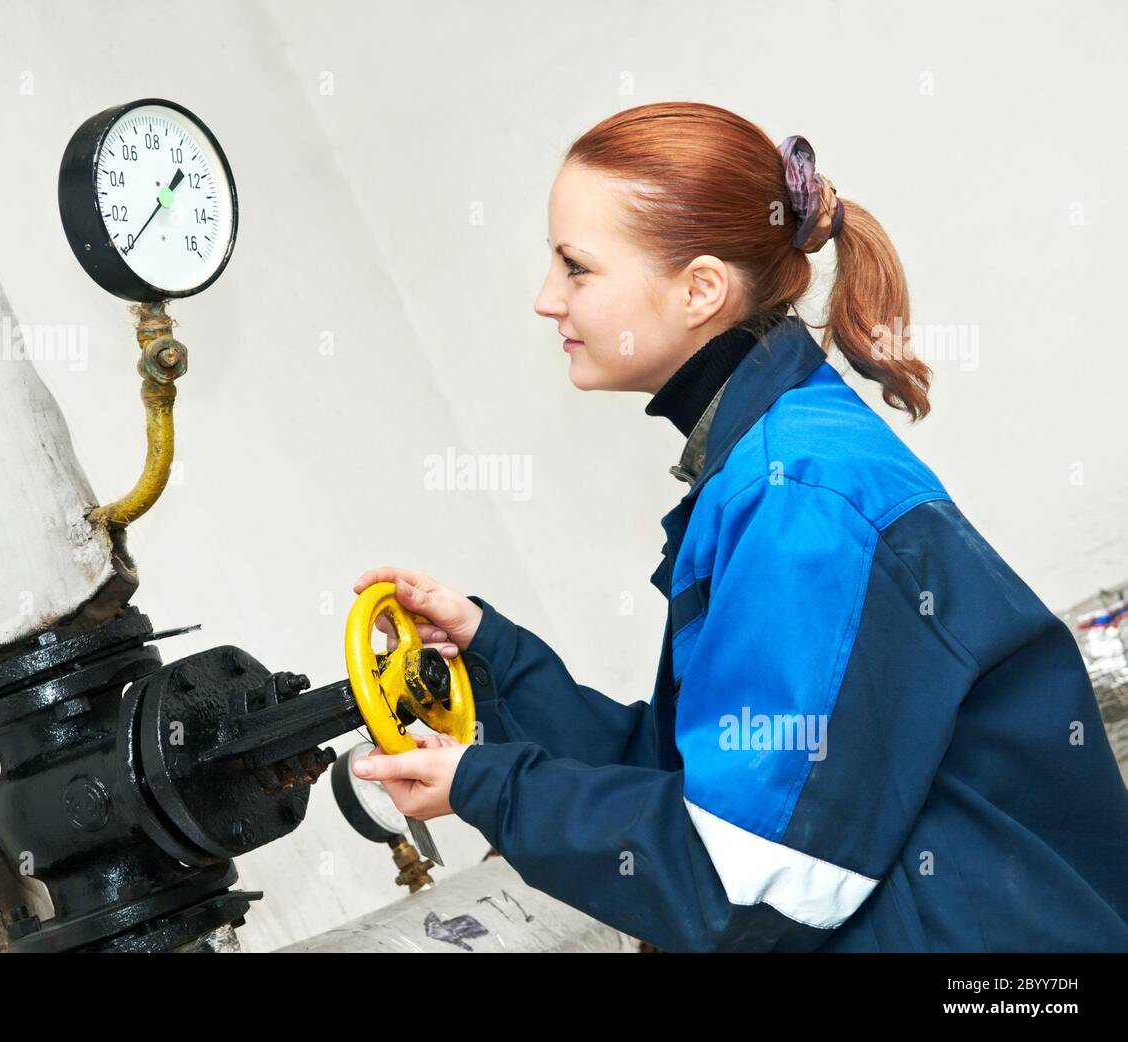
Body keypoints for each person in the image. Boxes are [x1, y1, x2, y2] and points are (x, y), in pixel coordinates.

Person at [350, 102, 1128, 952]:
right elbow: (701, 778)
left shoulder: (797, 500)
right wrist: (499, 666)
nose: (546, 299)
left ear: (700, 289)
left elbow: (745, 877)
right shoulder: (761, 462)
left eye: (576, 268)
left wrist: (492, 788)